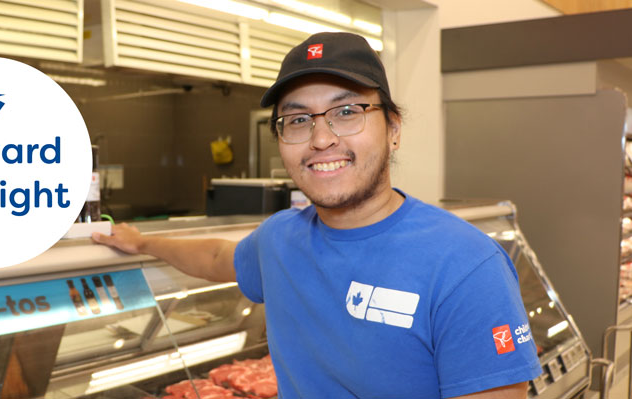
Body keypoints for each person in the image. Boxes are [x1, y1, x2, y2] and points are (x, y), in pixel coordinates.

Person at [92, 32, 542, 398]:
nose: (321, 138)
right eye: (298, 119)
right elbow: (215, 258)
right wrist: (143, 243)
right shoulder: (279, 239)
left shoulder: (466, 265)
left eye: (347, 112)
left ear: (394, 130)